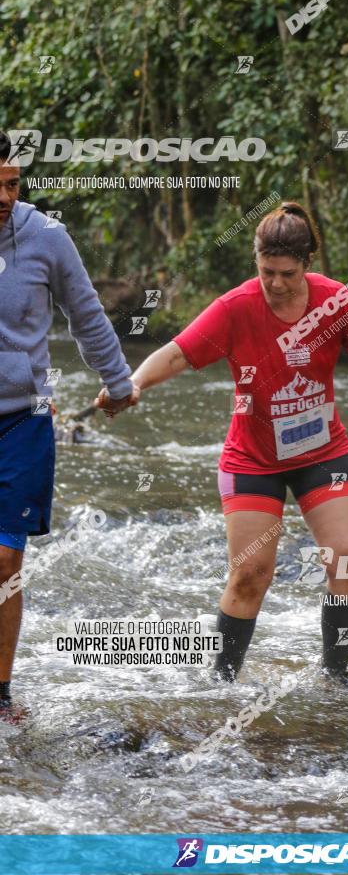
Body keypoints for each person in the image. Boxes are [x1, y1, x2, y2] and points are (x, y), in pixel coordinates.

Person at [96, 201, 348, 686]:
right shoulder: (235, 308)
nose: (275, 284)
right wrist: (132, 385)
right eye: (266, 271)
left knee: (347, 561)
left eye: (287, 273)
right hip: (253, 459)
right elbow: (176, 355)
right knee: (251, 574)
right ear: (255, 259)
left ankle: (334, 678)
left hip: (322, 454)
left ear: (308, 264)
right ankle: (222, 684)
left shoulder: (335, 302)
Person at [0, 130, 140, 713]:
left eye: (12, 183)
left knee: (6, 558)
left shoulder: (45, 236)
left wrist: (118, 381)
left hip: (24, 419)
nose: (5, 196)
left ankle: (1, 692)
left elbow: (84, 311)